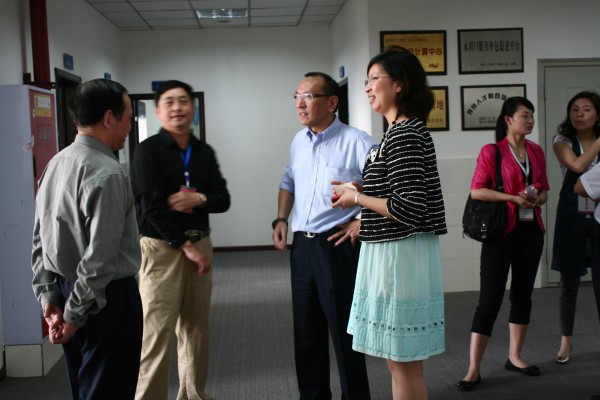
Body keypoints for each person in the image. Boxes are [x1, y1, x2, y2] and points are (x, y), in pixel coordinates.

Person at [332, 47, 447, 400]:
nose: (367, 87)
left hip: (400, 257)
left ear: (399, 84)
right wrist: (360, 189)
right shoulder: (397, 133)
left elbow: (408, 208)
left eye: (373, 79)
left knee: (404, 363)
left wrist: (356, 200)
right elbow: (397, 190)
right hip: (394, 252)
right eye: (366, 80)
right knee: (397, 362)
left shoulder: (406, 134)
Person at [31, 78, 142, 399]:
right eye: (128, 118)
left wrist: (50, 300)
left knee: (85, 390)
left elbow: (39, 240)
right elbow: (100, 258)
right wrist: (74, 316)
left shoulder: (56, 163)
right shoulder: (108, 173)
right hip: (104, 300)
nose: (129, 127)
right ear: (109, 118)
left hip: (68, 293)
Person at [272, 71, 377, 399]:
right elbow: (288, 181)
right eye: (296, 97)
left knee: (345, 334)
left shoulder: (357, 141)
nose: (299, 104)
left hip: (337, 247)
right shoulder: (298, 142)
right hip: (302, 249)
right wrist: (281, 219)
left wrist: (362, 220)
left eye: (308, 96)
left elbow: (384, 186)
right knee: (306, 333)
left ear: (332, 102)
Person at [131, 80, 230, 400]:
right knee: (156, 333)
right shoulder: (147, 151)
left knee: (196, 330)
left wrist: (198, 198)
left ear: (193, 108)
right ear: (158, 112)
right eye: (170, 102)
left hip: (199, 244)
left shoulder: (203, 152)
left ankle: (193, 395)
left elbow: (222, 199)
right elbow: (150, 208)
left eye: (184, 101)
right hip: (161, 250)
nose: (177, 107)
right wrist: (185, 247)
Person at [457, 97, 549, 391]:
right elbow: (477, 191)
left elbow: (545, 190)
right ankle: (473, 369)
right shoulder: (492, 151)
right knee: (489, 300)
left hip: (531, 232)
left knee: (522, 296)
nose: (531, 120)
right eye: (525, 115)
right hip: (500, 234)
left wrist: (536, 199)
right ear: (508, 119)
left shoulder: (535, 151)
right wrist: (512, 198)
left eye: (532, 115)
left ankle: (515, 356)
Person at [551, 91, 600, 365]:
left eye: (586, 109)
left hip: (599, 213)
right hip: (572, 212)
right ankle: (565, 340)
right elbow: (578, 165)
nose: (579, 114)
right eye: (575, 109)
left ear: (598, 115)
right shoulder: (562, 141)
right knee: (569, 281)